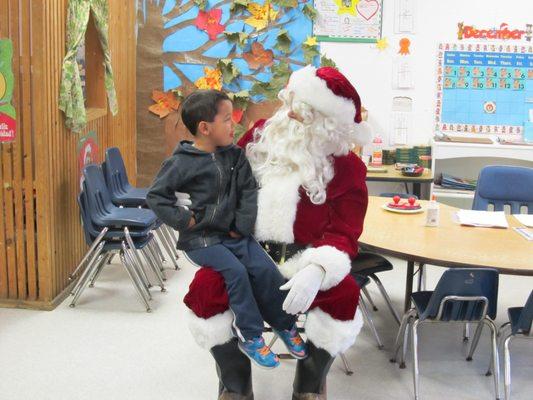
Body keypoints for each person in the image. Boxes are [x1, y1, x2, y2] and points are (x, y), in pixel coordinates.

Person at [182, 66, 371, 400]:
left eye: (303, 112)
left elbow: (346, 230)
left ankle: (308, 386)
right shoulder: (260, 139)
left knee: (343, 295)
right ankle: (235, 382)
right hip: (247, 253)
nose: (290, 115)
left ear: (327, 123)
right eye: (291, 104)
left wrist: (319, 269)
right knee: (205, 289)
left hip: (304, 261)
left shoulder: (347, 168)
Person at [146, 89, 307, 369]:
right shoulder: (181, 162)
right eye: (227, 120)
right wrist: (185, 221)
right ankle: (251, 335)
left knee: (265, 269)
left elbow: (248, 191)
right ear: (205, 128)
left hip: (233, 235)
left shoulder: (235, 157)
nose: (234, 124)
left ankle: (285, 324)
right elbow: (156, 196)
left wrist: (241, 225)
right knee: (236, 272)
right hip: (202, 241)